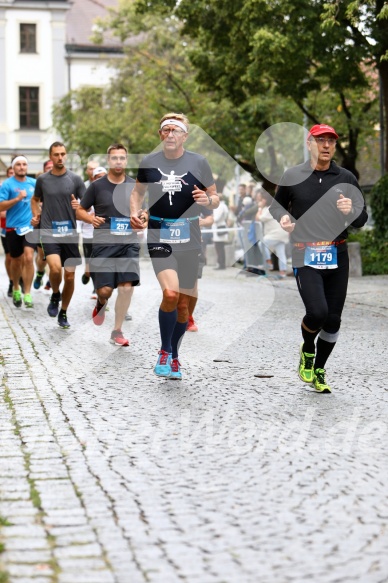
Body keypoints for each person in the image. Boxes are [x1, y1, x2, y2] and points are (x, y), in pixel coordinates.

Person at [269, 123, 368, 393]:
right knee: (318, 313)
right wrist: (285, 218)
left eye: (331, 141)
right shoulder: (293, 175)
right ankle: (307, 348)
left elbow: (362, 218)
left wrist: (351, 211)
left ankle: (320, 369)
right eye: (320, 140)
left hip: (338, 253)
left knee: (334, 320)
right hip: (305, 252)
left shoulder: (345, 178)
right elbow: (275, 206)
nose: (326, 146)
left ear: (334, 147)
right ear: (309, 143)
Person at [130, 112, 219, 379]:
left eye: (175, 130)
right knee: (170, 294)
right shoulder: (149, 162)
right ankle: (165, 351)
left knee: (184, 306)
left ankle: (176, 354)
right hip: (160, 234)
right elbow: (137, 193)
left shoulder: (198, 162)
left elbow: (215, 198)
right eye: (165, 130)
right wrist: (135, 213)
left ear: (184, 136)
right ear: (160, 135)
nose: (170, 134)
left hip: (190, 237)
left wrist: (207, 200)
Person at [77, 145, 140, 346]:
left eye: (122, 158)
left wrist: (143, 218)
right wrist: (89, 218)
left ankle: (117, 331)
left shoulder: (134, 185)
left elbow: (143, 211)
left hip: (128, 243)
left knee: (126, 287)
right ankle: (101, 303)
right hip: (103, 244)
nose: (119, 161)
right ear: (108, 160)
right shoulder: (97, 186)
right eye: (115, 158)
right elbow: (80, 210)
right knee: (105, 291)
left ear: (126, 160)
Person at [31, 141, 85, 328]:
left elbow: (86, 204)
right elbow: (35, 199)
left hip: (69, 233)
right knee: (54, 269)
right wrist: (36, 214)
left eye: (63, 154)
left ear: (66, 155)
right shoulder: (43, 180)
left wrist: (80, 206)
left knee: (69, 277)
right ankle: (55, 294)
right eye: (56, 154)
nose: (60, 157)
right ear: (51, 156)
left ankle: (64, 311)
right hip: (49, 231)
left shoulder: (75, 179)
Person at [0, 156, 37, 308]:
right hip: (12, 228)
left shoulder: (34, 183)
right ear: (13, 167)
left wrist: (37, 215)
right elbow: (1, 206)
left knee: (28, 257)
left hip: (29, 227)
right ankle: (15, 286)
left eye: (24, 164)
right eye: (19, 165)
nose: (22, 167)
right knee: (16, 260)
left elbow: (39, 202)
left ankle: (27, 293)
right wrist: (16, 199)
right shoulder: (7, 184)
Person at [186, 208, 214, 332]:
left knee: (192, 284)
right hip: (172, 245)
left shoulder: (196, 192)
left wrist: (201, 222)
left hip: (195, 244)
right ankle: (176, 313)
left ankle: (188, 317)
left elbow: (210, 218)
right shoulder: (167, 192)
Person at [80, 166, 107, 291]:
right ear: (93, 179)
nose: (101, 180)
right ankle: (87, 274)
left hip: (104, 235)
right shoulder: (89, 192)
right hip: (88, 234)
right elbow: (80, 213)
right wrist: (89, 217)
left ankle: (97, 288)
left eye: (103, 177)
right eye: (98, 177)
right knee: (90, 265)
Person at [256, 190, 289, 277]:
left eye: (262, 199)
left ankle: (268, 261)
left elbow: (259, 218)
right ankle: (283, 272)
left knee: (261, 243)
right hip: (281, 233)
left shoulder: (269, 209)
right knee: (280, 252)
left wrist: (259, 208)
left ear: (265, 200)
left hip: (276, 233)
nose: (260, 201)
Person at [33, 160, 55, 291]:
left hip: (58, 225)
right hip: (42, 225)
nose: (51, 170)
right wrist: (38, 209)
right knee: (42, 257)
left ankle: (53, 280)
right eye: (48, 168)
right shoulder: (40, 185)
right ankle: (40, 272)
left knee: (56, 256)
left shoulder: (64, 184)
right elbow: (33, 201)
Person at [1, 166, 15, 297]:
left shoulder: (22, 187)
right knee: (9, 256)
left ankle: (19, 279)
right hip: (5, 227)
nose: (12, 175)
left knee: (21, 256)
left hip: (21, 227)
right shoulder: (4, 187)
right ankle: (12, 281)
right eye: (10, 173)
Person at [212, 194, 230, 270]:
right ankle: (221, 263)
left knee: (219, 247)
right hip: (220, 226)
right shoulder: (223, 205)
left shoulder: (220, 206)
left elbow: (216, 218)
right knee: (220, 246)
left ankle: (221, 264)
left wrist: (210, 220)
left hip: (219, 227)